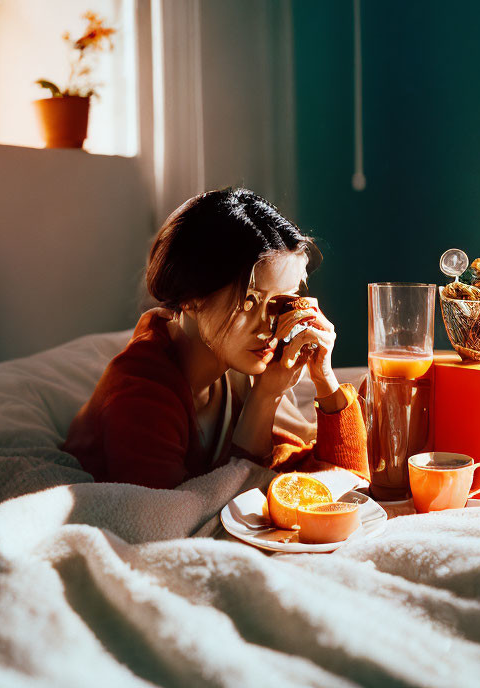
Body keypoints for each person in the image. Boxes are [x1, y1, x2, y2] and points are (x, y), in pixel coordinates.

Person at [61, 188, 370, 489]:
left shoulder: (245, 366)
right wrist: (263, 400)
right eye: (249, 302)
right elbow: (183, 519)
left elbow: (346, 485)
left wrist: (324, 379)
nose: (268, 327)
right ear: (191, 297)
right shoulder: (141, 396)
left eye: (280, 303)